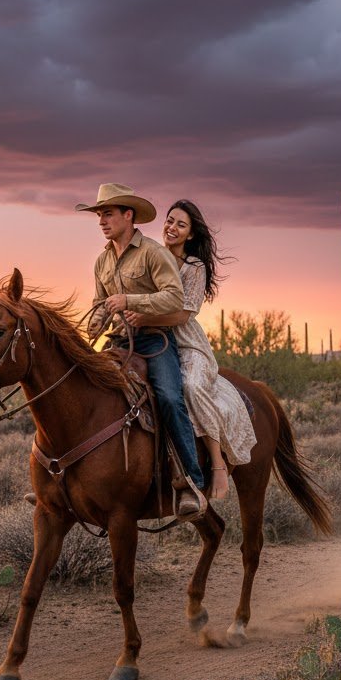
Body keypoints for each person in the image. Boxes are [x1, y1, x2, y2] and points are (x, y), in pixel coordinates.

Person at [77, 183, 207, 520]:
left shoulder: (152, 252)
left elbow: (174, 298)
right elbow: (100, 303)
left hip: (153, 341)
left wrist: (130, 300)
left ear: (128, 215)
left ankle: (190, 482)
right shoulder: (102, 260)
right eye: (99, 214)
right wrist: (95, 323)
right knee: (80, 391)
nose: (101, 220)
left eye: (107, 213)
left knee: (168, 397)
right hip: (118, 342)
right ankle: (69, 482)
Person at [123, 199, 256, 500]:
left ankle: (217, 463)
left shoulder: (194, 268)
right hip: (149, 338)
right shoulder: (151, 256)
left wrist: (145, 316)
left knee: (193, 387)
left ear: (191, 235)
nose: (172, 228)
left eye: (180, 224)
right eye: (170, 221)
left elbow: (185, 314)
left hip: (185, 341)